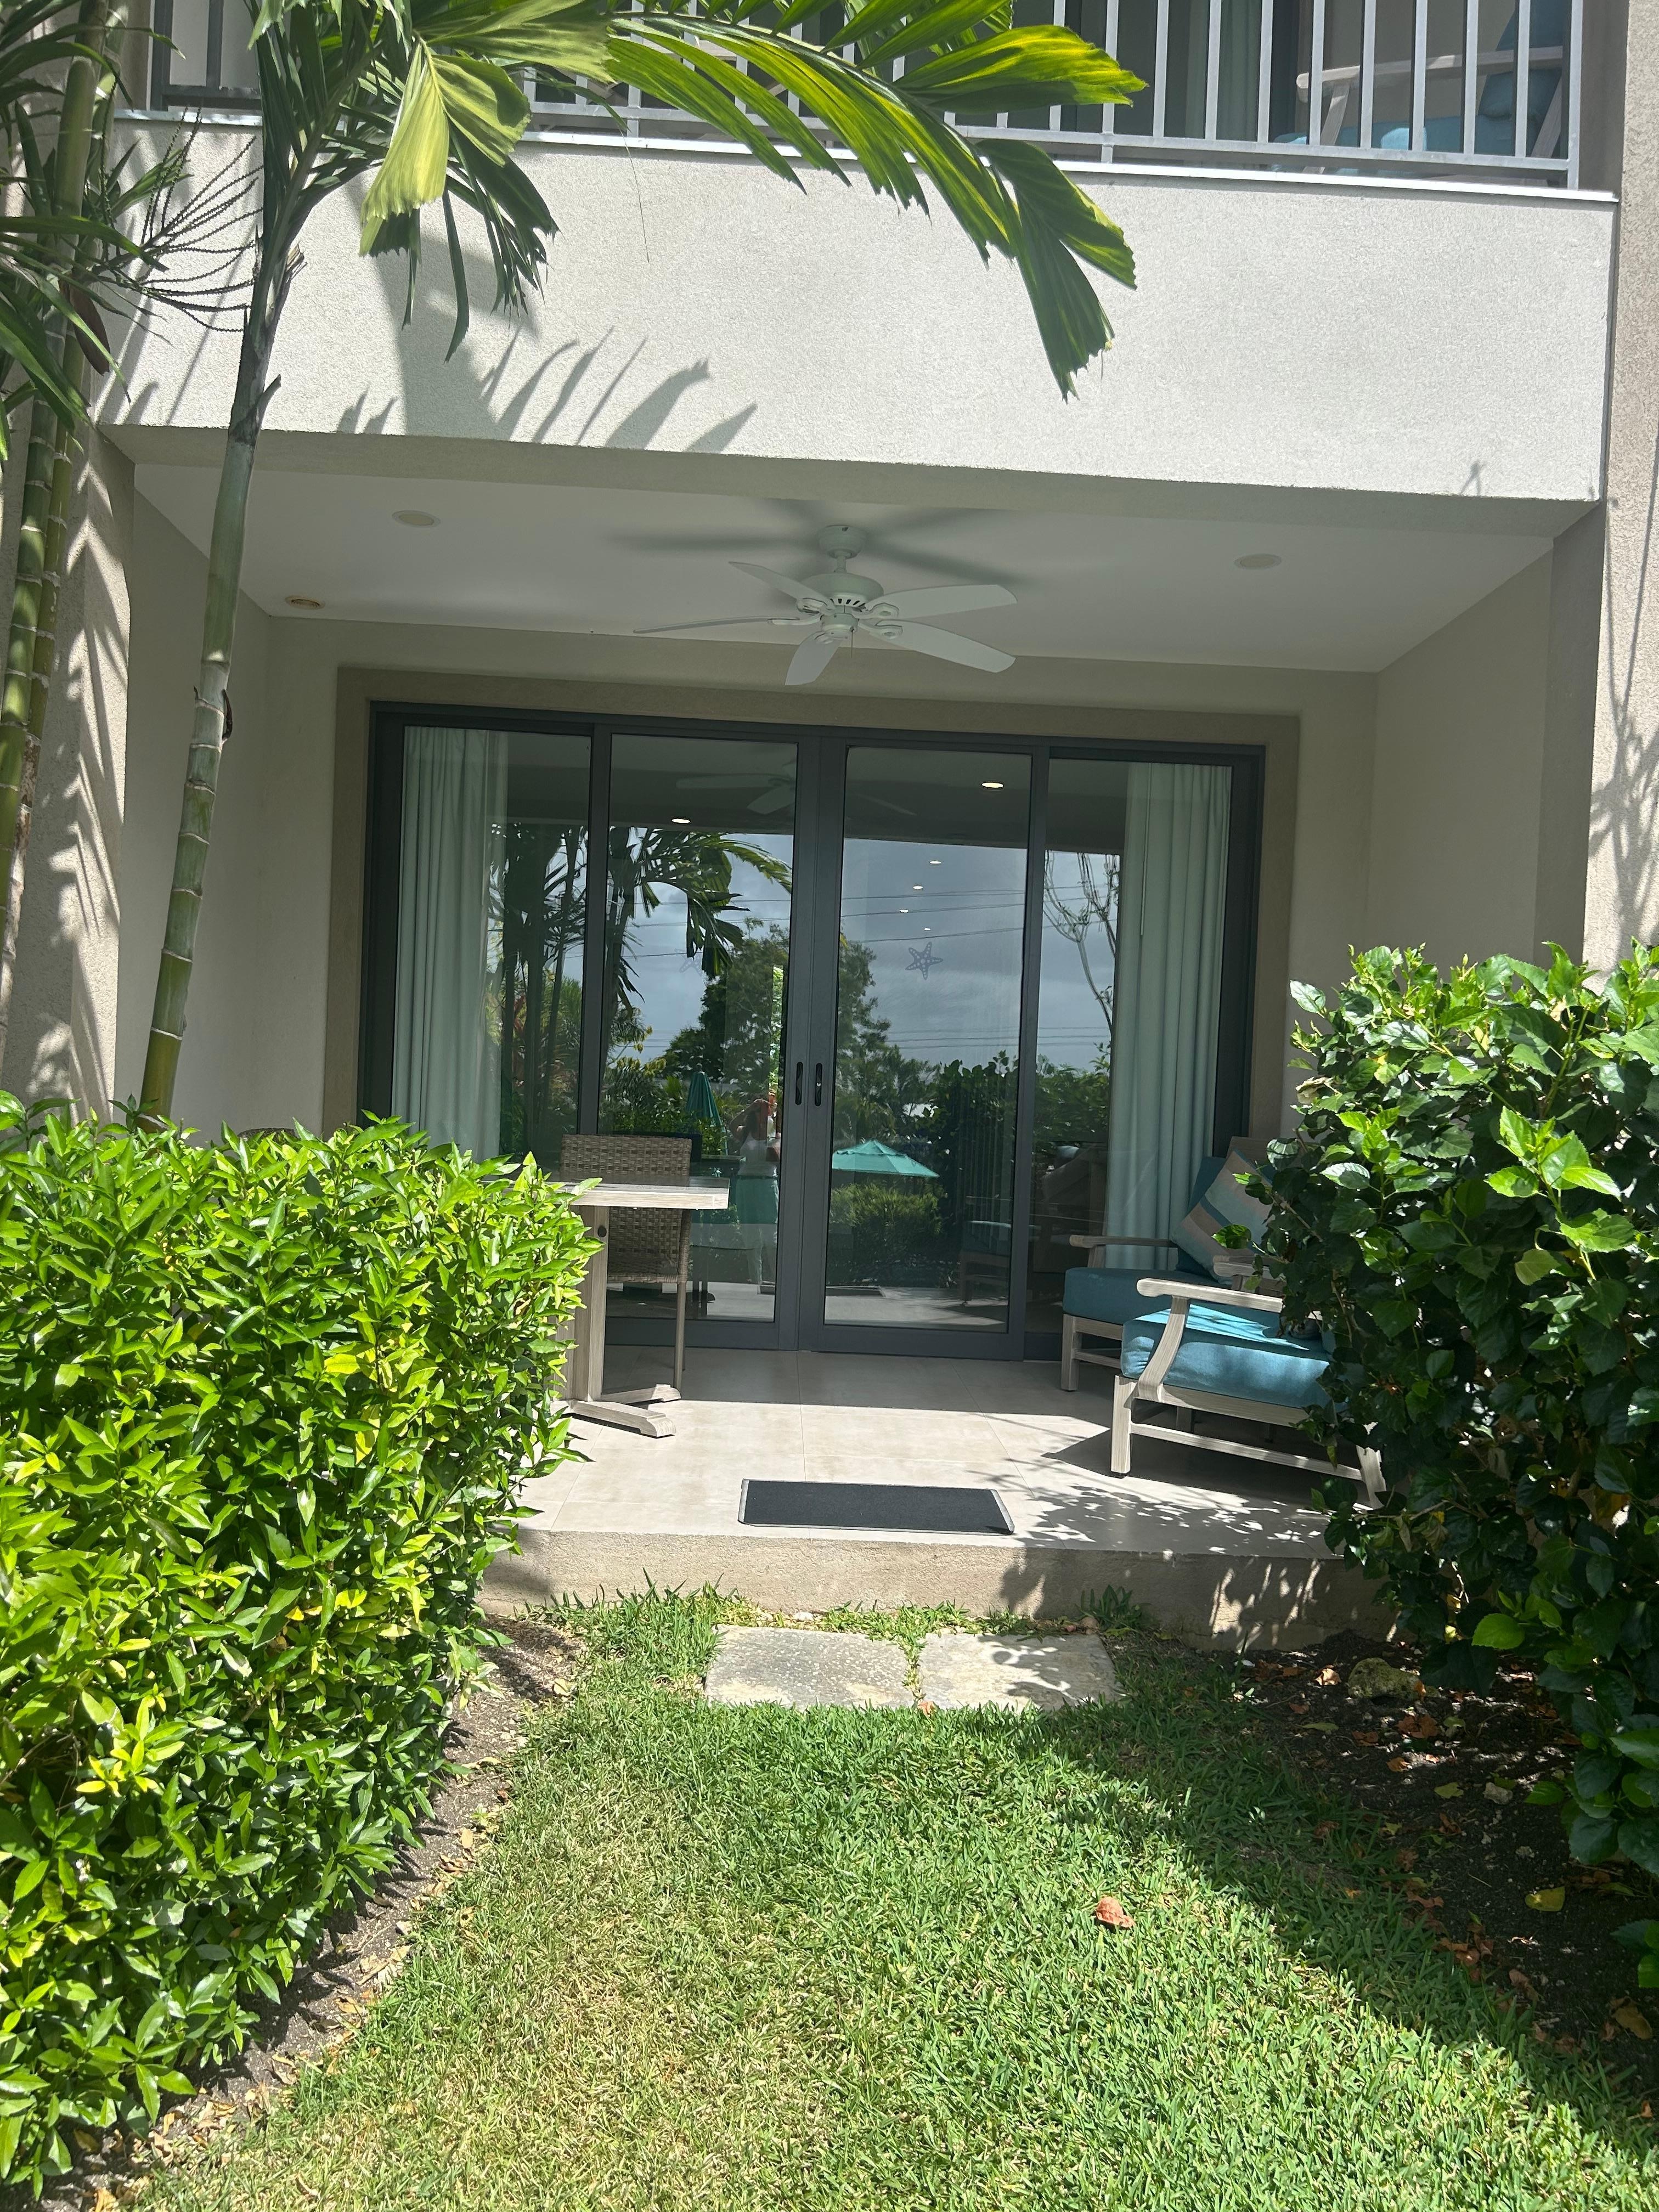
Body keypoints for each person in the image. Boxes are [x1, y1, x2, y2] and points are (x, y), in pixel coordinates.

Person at [731, 1097, 780, 1286]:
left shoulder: (775, 1134)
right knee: (750, 1234)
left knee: (771, 1235)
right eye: (761, 1110)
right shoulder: (746, 1132)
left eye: (767, 1110)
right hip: (746, 1184)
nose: (764, 1112)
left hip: (766, 1184)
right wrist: (748, 1109)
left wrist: (771, 1129)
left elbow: (775, 1157)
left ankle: (777, 1281)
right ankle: (756, 1281)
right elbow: (732, 1126)